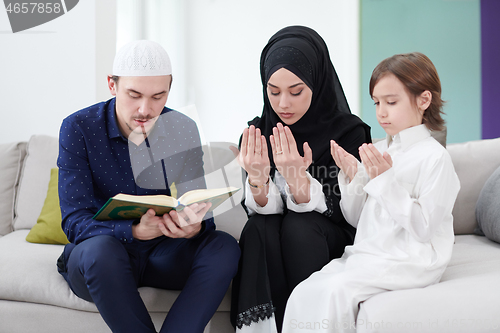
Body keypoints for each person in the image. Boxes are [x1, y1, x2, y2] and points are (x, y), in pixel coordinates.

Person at [56, 40, 240, 333]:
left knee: (224, 247)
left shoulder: (182, 127)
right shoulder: (78, 127)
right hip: (101, 259)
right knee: (101, 252)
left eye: (158, 96)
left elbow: (201, 208)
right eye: (134, 95)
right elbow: (74, 221)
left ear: (169, 88)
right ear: (112, 85)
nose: (146, 109)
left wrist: (193, 225)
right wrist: (133, 231)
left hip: (161, 254)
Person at [281, 52, 461, 333]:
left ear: (423, 100)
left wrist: (385, 180)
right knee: (305, 291)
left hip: (412, 259)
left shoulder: (435, 158)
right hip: (370, 253)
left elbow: (424, 229)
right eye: (377, 103)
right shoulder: (381, 152)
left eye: (391, 102)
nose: (381, 112)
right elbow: (356, 219)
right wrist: (354, 176)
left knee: (336, 291)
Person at [230, 26, 371, 333]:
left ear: (317, 83)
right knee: (259, 227)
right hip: (281, 237)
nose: (283, 105)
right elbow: (261, 211)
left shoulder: (350, 134)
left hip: (329, 239)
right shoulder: (257, 133)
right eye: (273, 91)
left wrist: (297, 179)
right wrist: (258, 179)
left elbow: (353, 213)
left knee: (300, 225)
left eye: (296, 92)